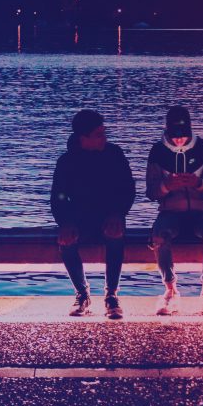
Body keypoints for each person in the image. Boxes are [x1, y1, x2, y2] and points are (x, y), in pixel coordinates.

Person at [51, 109, 136, 319]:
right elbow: (58, 197)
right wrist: (65, 223)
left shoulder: (114, 154)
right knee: (66, 241)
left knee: (115, 235)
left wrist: (118, 213)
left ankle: (111, 295)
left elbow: (127, 189)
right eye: (99, 134)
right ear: (84, 138)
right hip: (79, 217)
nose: (104, 138)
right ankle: (82, 293)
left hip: (109, 214)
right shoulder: (67, 161)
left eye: (104, 132)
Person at [145, 106, 203, 315]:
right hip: (169, 212)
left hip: (200, 212)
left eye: (184, 136)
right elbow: (151, 192)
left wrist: (198, 183)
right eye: (175, 136)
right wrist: (167, 186)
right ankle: (170, 291)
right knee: (159, 236)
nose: (179, 140)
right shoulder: (157, 152)